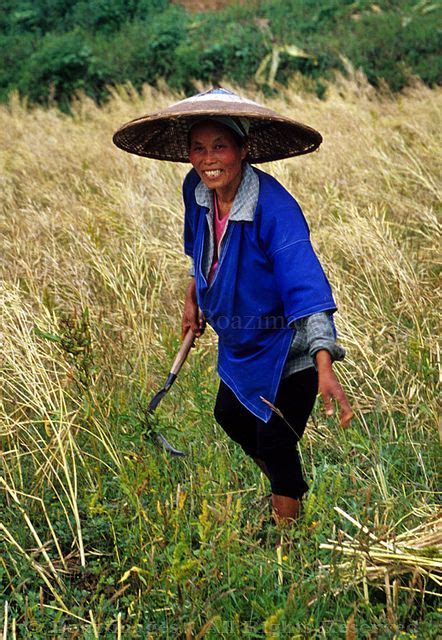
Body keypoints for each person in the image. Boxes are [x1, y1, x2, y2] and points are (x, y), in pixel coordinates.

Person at [112, 87, 353, 525]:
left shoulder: (274, 208)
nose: (209, 159)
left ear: (244, 149)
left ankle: (287, 536)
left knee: (276, 440)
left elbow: (306, 286)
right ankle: (290, 495)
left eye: (220, 146)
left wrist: (324, 364)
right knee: (229, 414)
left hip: (289, 345)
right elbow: (197, 248)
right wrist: (194, 295)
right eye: (199, 149)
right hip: (242, 341)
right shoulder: (197, 190)